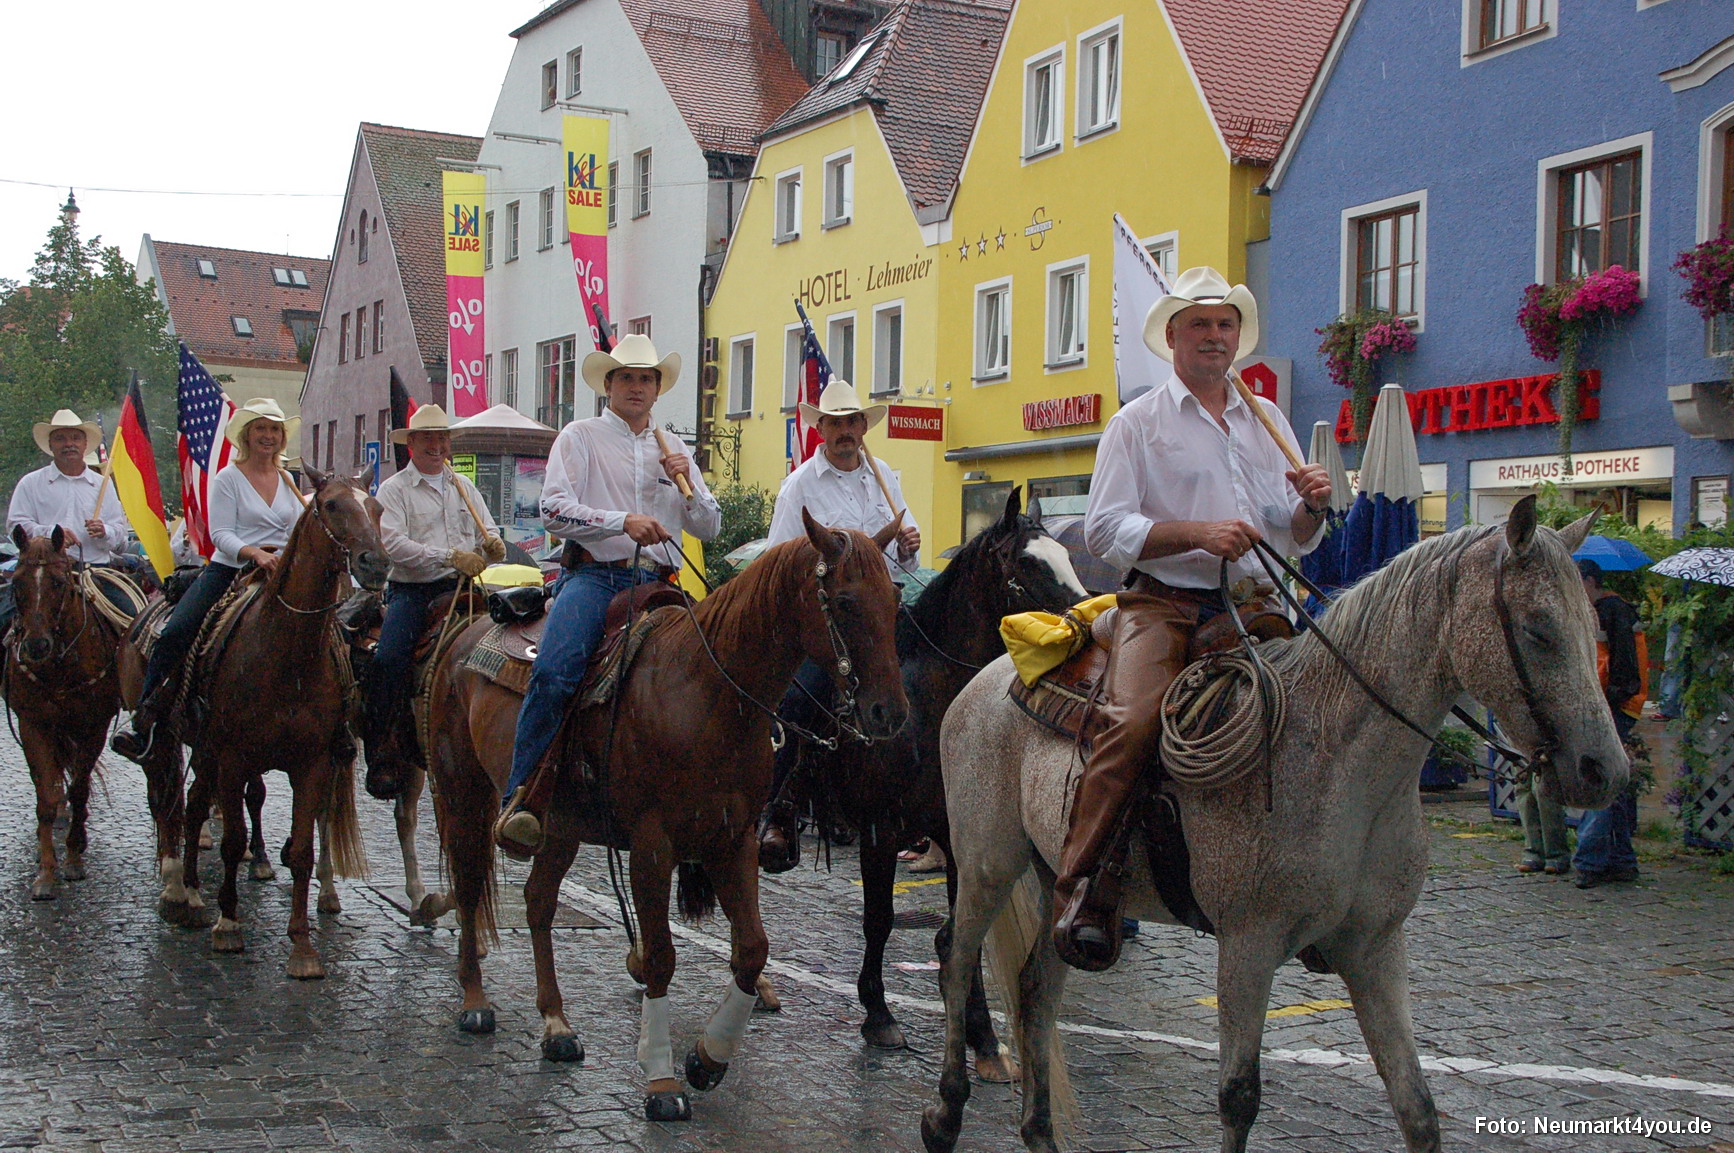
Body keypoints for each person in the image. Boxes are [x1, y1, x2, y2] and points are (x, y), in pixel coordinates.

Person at [1051, 267, 1332, 971]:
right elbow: (1106, 528)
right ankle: (1084, 883)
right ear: (1173, 336)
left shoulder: (1266, 418)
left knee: (1326, 717)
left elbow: (1288, 532)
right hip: (1164, 605)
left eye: (1225, 324)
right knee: (1134, 722)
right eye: (1200, 324)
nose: (1215, 336)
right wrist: (1196, 534)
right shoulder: (1137, 422)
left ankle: (1317, 885)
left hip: (1256, 606)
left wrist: (1313, 506)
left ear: (1238, 335)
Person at [495, 335, 720, 857]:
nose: (636, 387)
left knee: (716, 669)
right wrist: (623, 521)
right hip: (597, 579)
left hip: (660, 585)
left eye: (645, 378)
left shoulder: (674, 449)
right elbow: (552, 511)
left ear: (658, 389)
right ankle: (521, 794)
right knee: (556, 672)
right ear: (609, 385)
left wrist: (691, 485)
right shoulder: (580, 436)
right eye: (626, 378)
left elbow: (709, 528)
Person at [756, 378, 920, 871]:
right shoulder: (800, 486)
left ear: (863, 427)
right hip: (826, 621)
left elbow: (905, 553)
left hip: (879, 613)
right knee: (798, 698)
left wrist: (909, 545)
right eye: (836, 423)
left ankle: (924, 802)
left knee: (926, 677)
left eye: (854, 422)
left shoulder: (885, 475)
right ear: (821, 428)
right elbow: (777, 562)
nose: (846, 431)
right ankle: (777, 809)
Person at [111, 399, 304, 762]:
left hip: (280, 572)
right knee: (175, 631)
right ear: (247, 435)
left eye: (274, 429)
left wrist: (286, 556)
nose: (268, 435)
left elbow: (296, 529)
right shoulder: (229, 477)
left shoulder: (288, 480)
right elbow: (220, 533)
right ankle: (146, 717)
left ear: (282, 437)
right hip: (230, 569)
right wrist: (255, 553)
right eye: (260, 428)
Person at [364, 404, 504, 784]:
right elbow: (392, 544)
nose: (437, 445)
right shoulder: (394, 490)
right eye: (428, 438)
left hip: (463, 588)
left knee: (511, 640)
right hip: (414, 591)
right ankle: (383, 749)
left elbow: (486, 531)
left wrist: (493, 547)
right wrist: (448, 556)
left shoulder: (464, 486)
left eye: (442, 437)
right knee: (389, 659)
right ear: (411, 444)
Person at [2, 410, 132, 634]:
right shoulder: (31, 483)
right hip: (41, 572)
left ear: (85, 444)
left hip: (95, 573)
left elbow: (120, 536)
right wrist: (51, 535)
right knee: (5, 619)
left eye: (75, 438)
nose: (68, 444)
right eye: (60, 438)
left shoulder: (102, 485)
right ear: (50, 445)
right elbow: (16, 526)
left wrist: (105, 531)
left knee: (135, 624)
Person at [1572, 557, 1643, 889]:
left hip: (1613, 706)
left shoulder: (1612, 613)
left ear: (1589, 581)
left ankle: (1590, 861)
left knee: (1600, 782)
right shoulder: (1617, 610)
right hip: (1618, 704)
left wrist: (1605, 699)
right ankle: (1620, 860)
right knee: (1613, 783)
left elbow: (1624, 670)